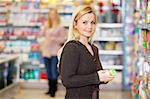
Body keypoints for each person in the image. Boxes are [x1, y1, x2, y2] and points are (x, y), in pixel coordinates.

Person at [58, 5, 114, 99]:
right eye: (85, 22)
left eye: (92, 22)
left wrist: (105, 77)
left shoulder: (94, 49)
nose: (89, 27)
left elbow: (95, 75)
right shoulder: (72, 47)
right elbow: (67, 80)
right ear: (75, 24)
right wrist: (97, 77)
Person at [38, 8, 66, 97]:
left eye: (53, 14)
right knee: (48, 71)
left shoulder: (60, 27)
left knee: (54, 71)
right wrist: (44, 27)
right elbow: (40, 35)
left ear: (56, 15)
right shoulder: (47, 26)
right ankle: (50, 89)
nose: (52, 16)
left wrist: (54, 39)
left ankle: (54, 90)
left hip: (54, 52)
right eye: (50, 14)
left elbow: (63, 39)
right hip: (46, 51)